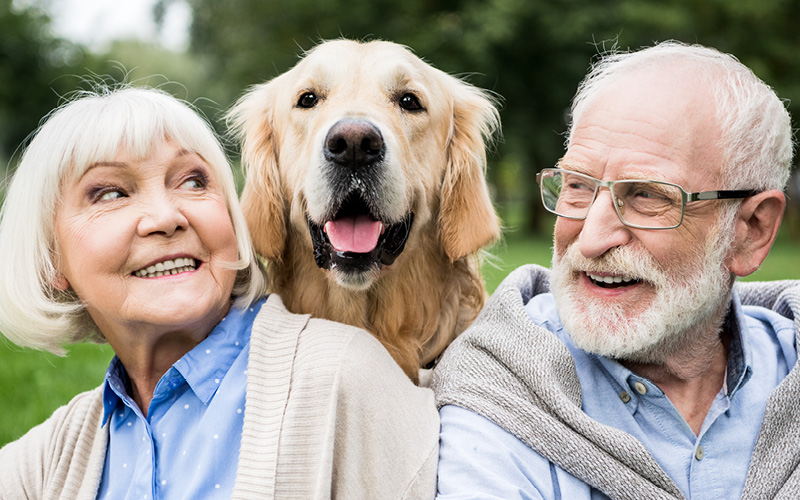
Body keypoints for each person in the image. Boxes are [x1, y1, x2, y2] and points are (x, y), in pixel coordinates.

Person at [0, 86, 438, 499]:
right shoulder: (45, 463)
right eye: (111, 192)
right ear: (51, 260)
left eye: (193, 182)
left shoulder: (341, 377)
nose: (166, 216)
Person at [434, 41, 799, 500]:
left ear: (750, 230)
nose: (590, 239)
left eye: (647, 195)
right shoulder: (501, 394)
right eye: (578, 186)